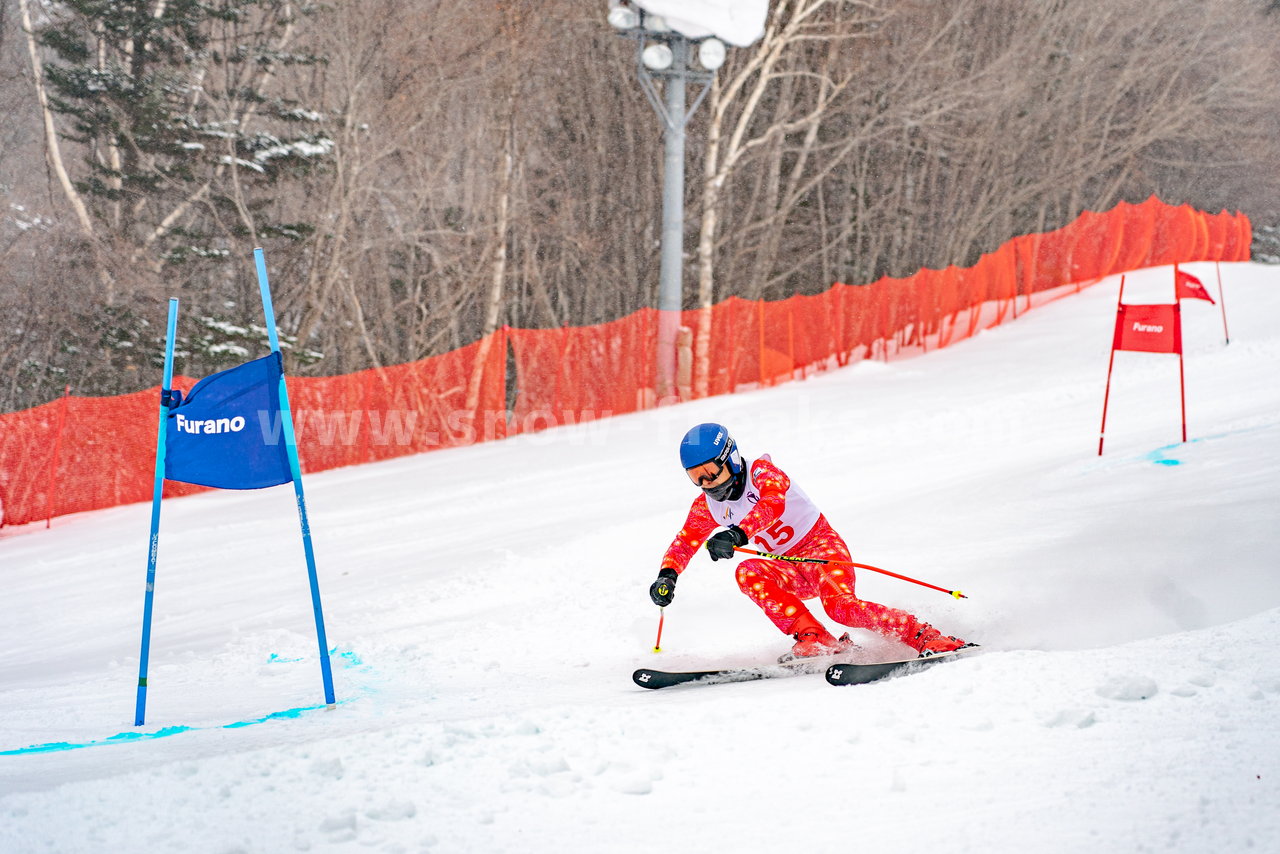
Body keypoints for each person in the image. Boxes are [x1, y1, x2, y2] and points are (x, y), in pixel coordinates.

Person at [649, 422, 973, 661]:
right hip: (788, 568)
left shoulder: (763, 472)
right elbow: (685, 541)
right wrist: (667, 576)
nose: (706, 483)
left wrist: (737, 534)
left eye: (710, 472)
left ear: (730, 458)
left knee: (842, 609)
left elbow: (772, 505)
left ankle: (928, 636)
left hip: (822, 551)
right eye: (696, 477)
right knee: (748, 571)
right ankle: (815, 639)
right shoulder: (707, 506)